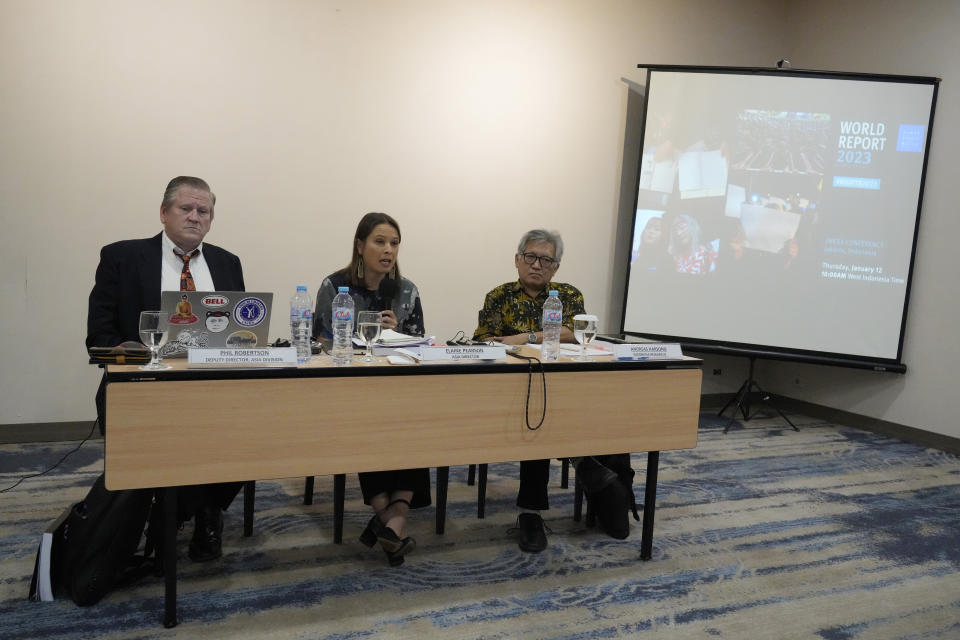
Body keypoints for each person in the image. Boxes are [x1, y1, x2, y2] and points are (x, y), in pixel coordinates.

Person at [86, 176, 245, 563]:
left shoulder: (227, 263)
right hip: (144, 386)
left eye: (202, 211)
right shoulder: (122, 257)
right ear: (163, 213)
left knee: (251, 420)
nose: (194, 217)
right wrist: (133, 355)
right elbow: (100, 335)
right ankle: (180, 511)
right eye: (185, 209)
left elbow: (241, 333)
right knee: (176, 433)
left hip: (211, 384)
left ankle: (202, 508)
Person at [472, 229, 635, 552]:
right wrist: (544, 335)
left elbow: (576, 332)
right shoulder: (499, 296)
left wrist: (524, 337)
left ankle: (614, 486)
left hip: (568, 388)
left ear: (556, 267)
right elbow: (484, 341)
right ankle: (533, 511)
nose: (537, 265)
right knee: (537, 421)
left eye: (546, 260)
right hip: (516, 393)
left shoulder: (566, 294)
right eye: (530, 257)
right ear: (517, 260)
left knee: (608, 409)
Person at [312, 212, 429, 566]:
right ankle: (392, 520)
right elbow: (321, 342)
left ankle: (390, 521)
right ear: (360, 246)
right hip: (349, 388)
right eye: (380, 242)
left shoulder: (406, 290)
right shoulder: (335, 287)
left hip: (396, 388)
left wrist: (400, 333)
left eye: (394, 243)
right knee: (368, 423)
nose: (388, 250)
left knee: (418, 421)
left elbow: (420, 343)